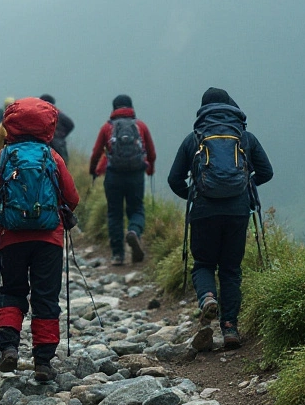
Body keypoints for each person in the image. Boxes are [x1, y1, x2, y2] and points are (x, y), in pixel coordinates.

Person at [0, 97, 79, 381]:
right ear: (47, 125)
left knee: (11, 291)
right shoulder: (52, 157)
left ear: (11, 123)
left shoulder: (3, 157)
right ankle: (43, 362)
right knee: (46, 297)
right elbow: (72, 198)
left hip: (11, 238)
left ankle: (9, 348)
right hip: (49, 240)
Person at [166, 87, 273, 351]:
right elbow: (267, 172)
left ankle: (207, 297)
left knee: (203, 263)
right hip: (237, 211)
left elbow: (173, 179)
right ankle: (230, 329)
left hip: (203, 210)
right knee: (231, 269)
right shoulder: (244, 137)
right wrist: (247, 187)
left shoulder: (195, 139)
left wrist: (194, 192)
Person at [89, 94, 157, 265]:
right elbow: (151, 152)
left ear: (114, 109)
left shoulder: (107, 127)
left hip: (113, 176)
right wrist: (150, 169)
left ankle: (118, 255)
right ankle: (134, 231)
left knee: (114, 213)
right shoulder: (140, 126)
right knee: (137, 209)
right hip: (135, 175)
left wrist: (93, 171)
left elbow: (97, 152)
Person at [39, 94, 75, 162]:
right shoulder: (58, 114)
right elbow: (70, 125)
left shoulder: (39, 115)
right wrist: (62, 135)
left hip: (49, 146)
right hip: (58, 145)